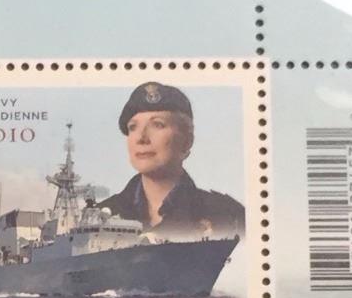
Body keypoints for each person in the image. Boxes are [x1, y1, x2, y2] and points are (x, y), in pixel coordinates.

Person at [98, 82, 245, 239]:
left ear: (186, 141)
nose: (141, 138)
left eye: (158, 125)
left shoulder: (229, 217)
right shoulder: (98, 216)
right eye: (133, 127)